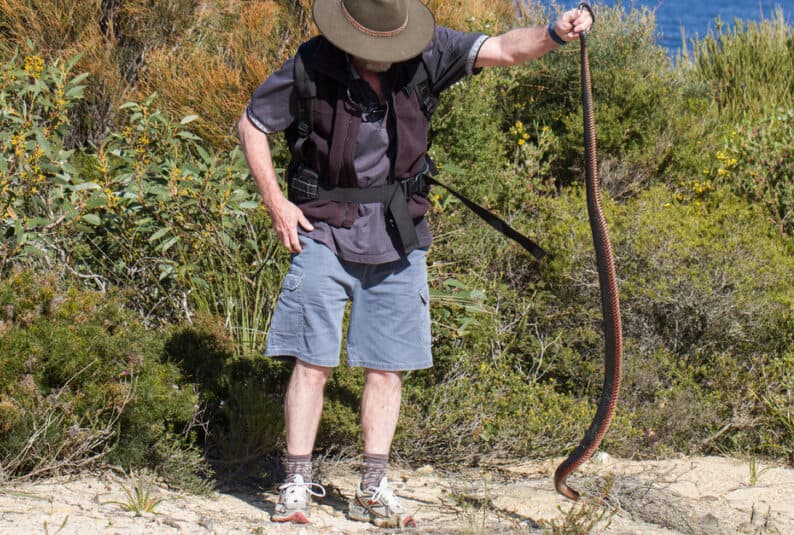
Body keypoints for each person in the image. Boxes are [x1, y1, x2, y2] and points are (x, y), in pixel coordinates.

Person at [236, 0, 592, 528]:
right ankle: (295, 484)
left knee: (388, 366)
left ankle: (373, 489)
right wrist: (276, 203)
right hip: (322, 228)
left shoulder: (429, 50)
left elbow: (503, 49)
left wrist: (555, 33)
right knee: (312, 361)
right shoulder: (311, 63)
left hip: (399, 235)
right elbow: (251, 124)